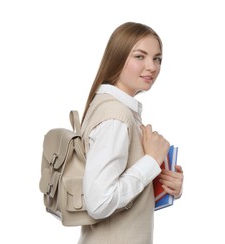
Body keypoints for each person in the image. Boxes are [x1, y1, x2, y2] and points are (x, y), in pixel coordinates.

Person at [78, 22, 184, 244]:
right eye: (140, 56)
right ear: (118, 57)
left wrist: (161, 186)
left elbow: (119, 199)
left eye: (157, 58)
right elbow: (99, 203)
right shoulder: (115, 116)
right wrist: (151, 161)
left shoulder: (117, 109)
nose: (152, 67)